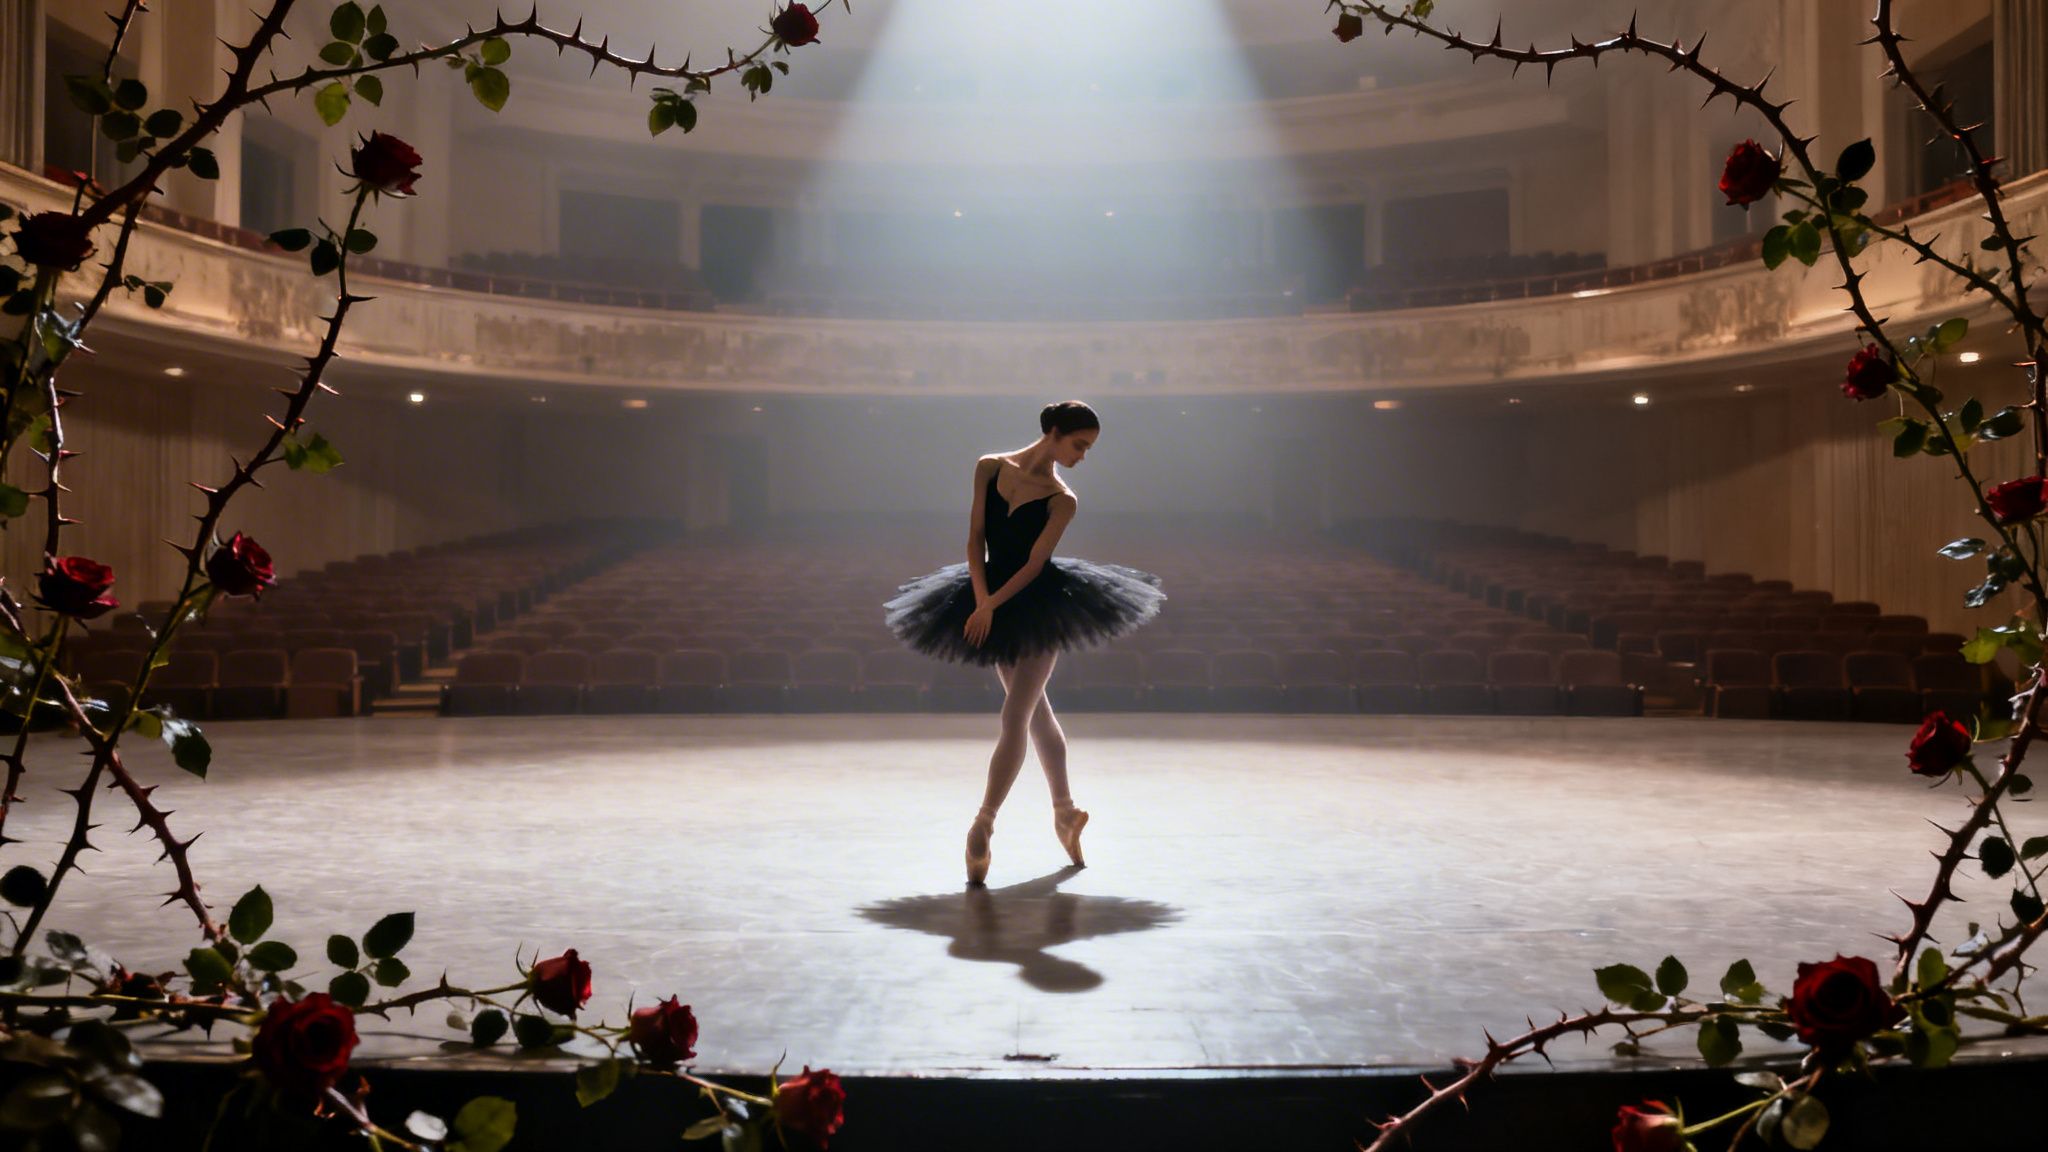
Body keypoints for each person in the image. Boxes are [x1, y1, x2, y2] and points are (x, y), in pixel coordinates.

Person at [883, 401, 1166, 885]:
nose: (1082, 456)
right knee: (1036, 713)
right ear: (1053, 433)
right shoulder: (990, 467)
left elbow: (1035, 565)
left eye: (1089, 449)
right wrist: (980, 599)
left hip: (1036, 603)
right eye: (1079, 445)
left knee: (1017, 713)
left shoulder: (1063, 499)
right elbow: (975, 540)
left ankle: (983, 824)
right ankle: (1066, 812)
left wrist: (991, 605)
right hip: (987, 594)